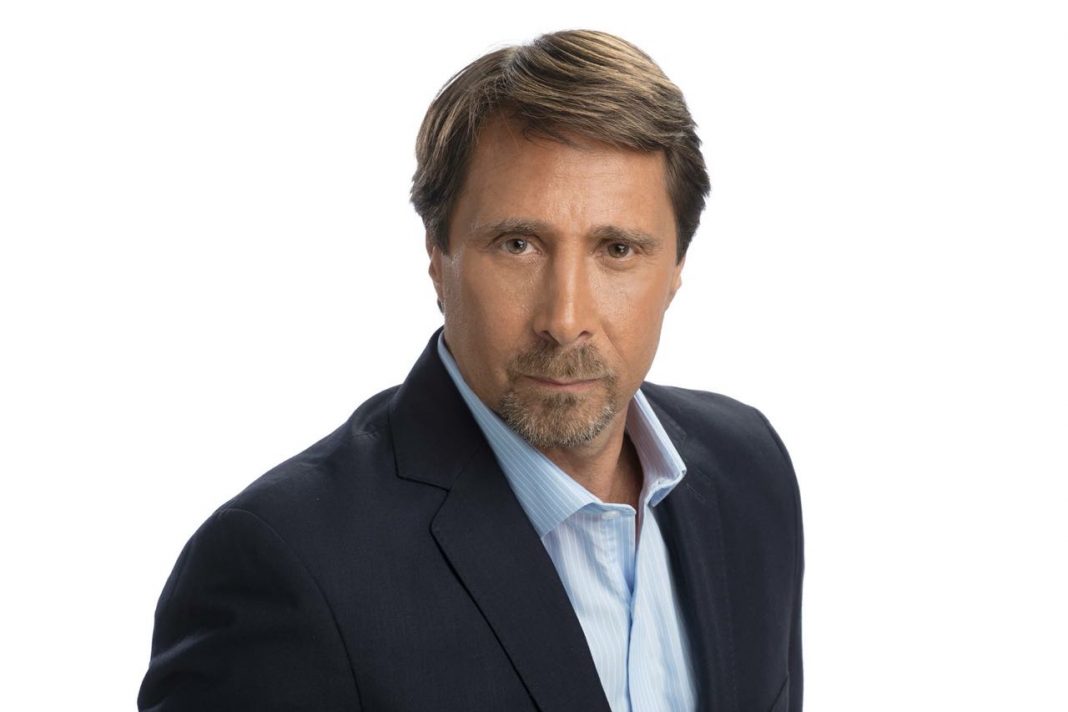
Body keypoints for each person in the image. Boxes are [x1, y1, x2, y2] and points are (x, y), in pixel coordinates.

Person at [138, 29, 803, 712]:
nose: (565, 317)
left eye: (617, 249)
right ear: (437, 254)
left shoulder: (749, 469)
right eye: (518, 244)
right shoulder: (284, 566)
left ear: (678, 266)